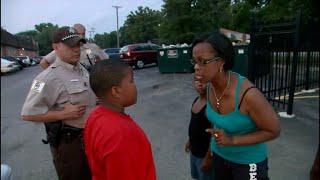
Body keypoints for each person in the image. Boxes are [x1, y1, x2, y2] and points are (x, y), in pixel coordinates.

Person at [191, 32, 280, 180]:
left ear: (221, 61)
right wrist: (209, 155)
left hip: (249, 162)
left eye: (202, 61)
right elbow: (216, 125)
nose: (196, 67)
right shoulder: (209, 87)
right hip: (220, 156)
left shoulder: (248, 95)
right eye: (194, 61)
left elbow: (274, 131)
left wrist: (232, 140)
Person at [21, 26, 97, 180]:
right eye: (71, 46)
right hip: (71, 145)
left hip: (91, 138)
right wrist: (63, 114)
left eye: (78, 45)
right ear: (55, 47)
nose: (76, 50)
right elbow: (27, 113)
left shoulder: (81, 69)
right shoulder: (44, 78)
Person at [84, 59, 156, 180]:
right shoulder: (121, 134)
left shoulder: (95, 115)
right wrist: (61, 114)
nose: (135, 85)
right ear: (116, 91)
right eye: (132, 81)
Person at [40, 23, 108, 70]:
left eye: (83, 34)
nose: (76, 50)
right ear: (56, 47)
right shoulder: (43, 79)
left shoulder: (82, 72)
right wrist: (53, 75)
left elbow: (105, 60)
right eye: (79, 34)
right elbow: (43, 62)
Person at [185, 79, 214, 180]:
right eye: (197, 81)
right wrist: (189, 140)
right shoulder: (196, 100)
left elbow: (214, 135)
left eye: (204, 81)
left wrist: (208, 158)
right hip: (194, 152)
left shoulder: (211, 106)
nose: (200, 83)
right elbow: (194, 124)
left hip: (204, 155)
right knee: (196, 176)